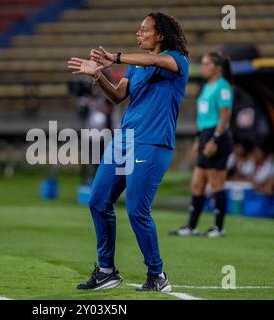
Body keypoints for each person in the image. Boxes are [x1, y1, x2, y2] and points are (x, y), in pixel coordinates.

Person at [68, 12, 189, 292]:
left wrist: (117, 57)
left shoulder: (176, 59)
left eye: (144, 30)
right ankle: (106, 271)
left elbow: (156, 60)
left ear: (161, 35)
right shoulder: (136, 67)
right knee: (98, 200)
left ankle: (157, 275)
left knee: (137, 209)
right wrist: (98, 75)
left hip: (153, 142)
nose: (139, 33)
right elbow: (117, 95)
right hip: (124, 140)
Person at [170, 52, 233, 238]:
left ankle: (219, 227)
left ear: (218, 68)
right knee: (197, 183)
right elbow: (203, 117)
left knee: (216, 183)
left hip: (217, 137)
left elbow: (224, 117)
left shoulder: (223, 87)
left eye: (207, 64)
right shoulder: (207, 87)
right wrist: (198, 140)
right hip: (205, 135)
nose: (203, 67)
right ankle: (191, 226)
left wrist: (215, 139)